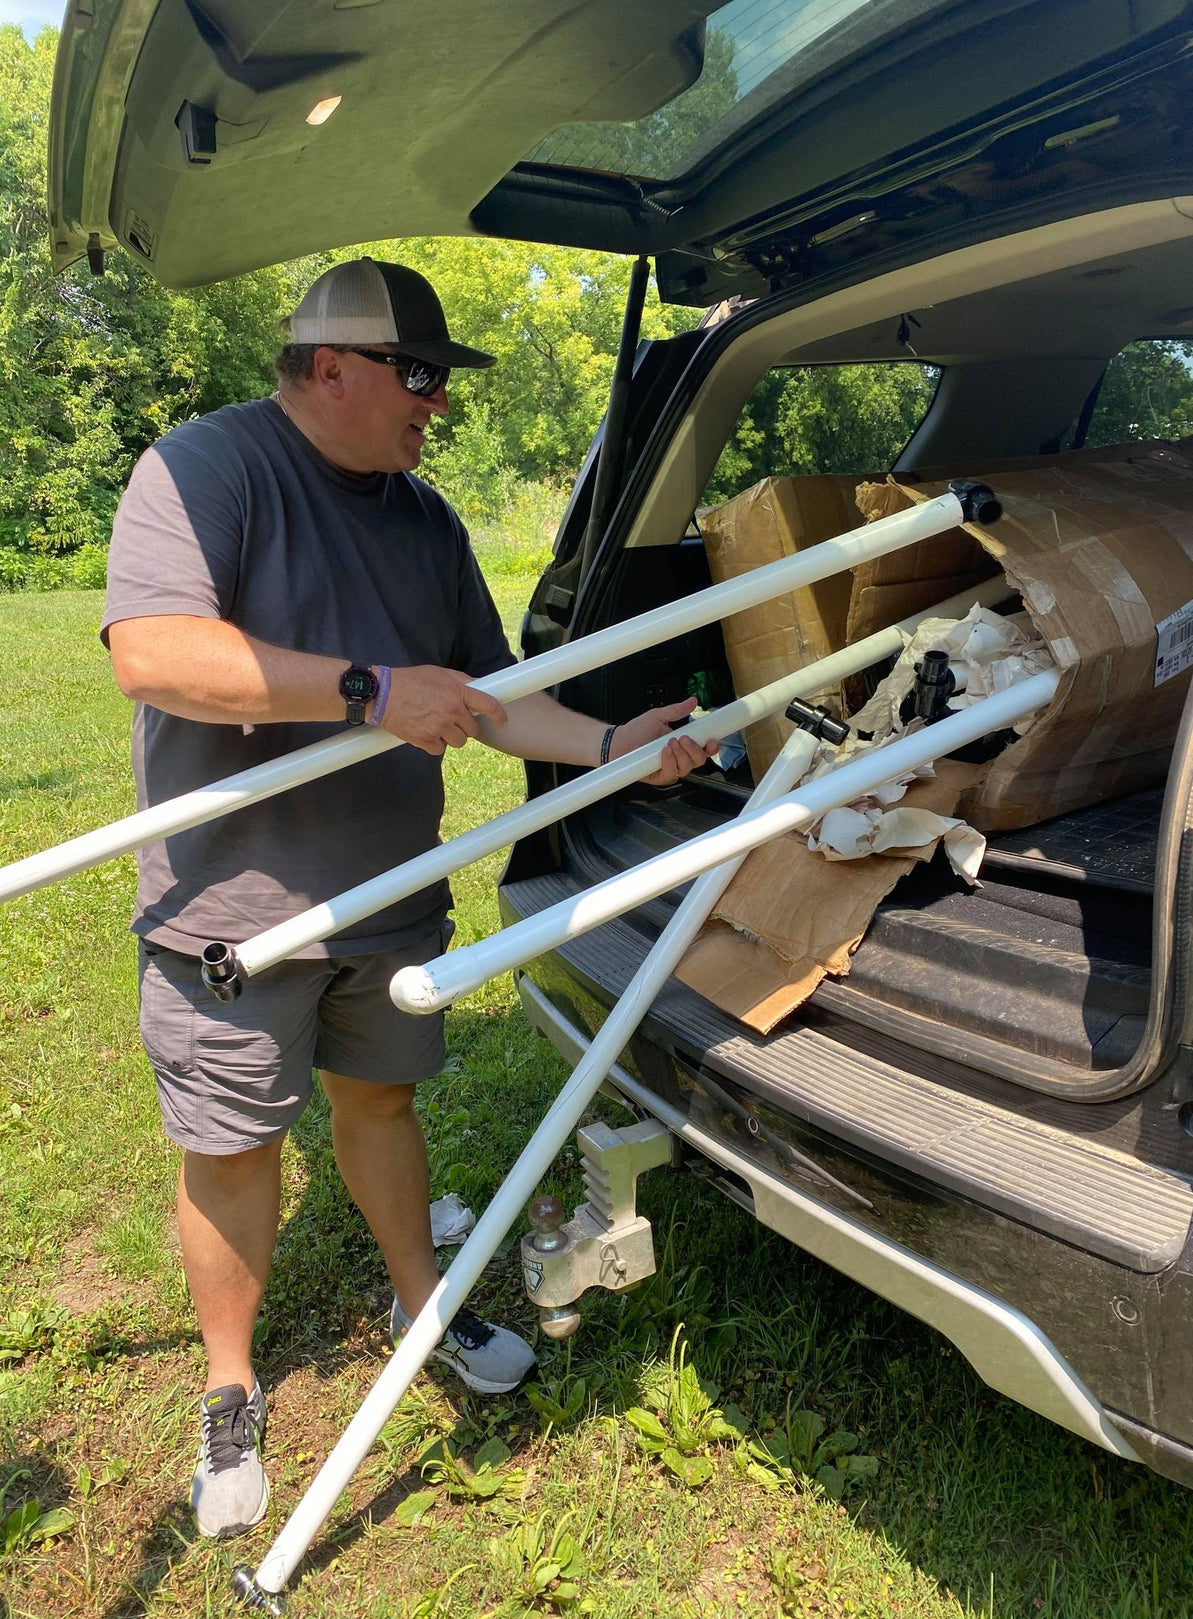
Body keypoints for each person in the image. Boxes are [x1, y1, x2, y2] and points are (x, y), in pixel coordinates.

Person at [101, 256, 715, 1539]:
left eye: (441, 382)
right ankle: (227, 1384)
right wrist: (372, 690)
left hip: (386, 893)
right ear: (331, 366)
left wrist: (612, 743)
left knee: (378, 1103)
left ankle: (416, 1297)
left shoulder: (425, 519)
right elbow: (158, 656)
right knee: (232, 1148)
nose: (436, 405)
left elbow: (490, 696)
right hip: (236, 909)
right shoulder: (207, 469)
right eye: (417, 376)